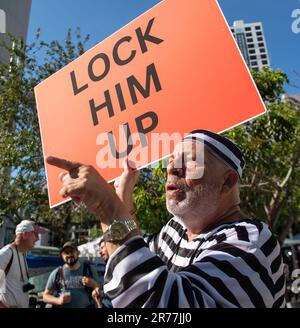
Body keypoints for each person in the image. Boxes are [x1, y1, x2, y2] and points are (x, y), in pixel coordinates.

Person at [46, 129, 286, 308]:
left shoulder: (250, 241)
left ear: (227, 181)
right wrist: (121, 201)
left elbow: (161, 303)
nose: (171, 169)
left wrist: (108, 207)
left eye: (190, 161)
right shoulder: (174, 230)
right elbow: (131, 257)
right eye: (171, 161)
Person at [43, 241, 101, 308]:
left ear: (78, 253)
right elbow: (45, 296)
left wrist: (94, 284)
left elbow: (99, 293)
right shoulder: (57, 273)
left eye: (72, 251)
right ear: (62, 256)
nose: (69, 255)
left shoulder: (89, 270)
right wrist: (58, 300)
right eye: (66, 253)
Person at [0, 220, 42, 308]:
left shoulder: (22, 254)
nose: (38, 238)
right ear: (25, 234)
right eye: (35, 234)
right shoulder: (6, 254)